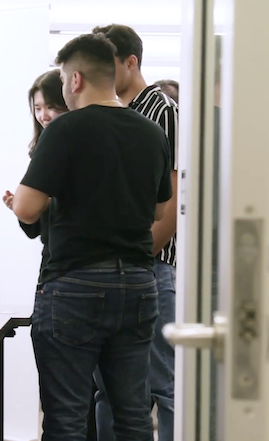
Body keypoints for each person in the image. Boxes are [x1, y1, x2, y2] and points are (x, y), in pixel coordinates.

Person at [12, 33, 172, 441]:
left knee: (66, 418)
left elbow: (27, 209)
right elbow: (158, 211)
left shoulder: (65, 130)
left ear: (75, 79)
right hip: (138, 283)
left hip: (75, 284)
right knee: (133, 413)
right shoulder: (151, 132)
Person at [93, 23, 180, 441]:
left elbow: (173, 201)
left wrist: (138, 255)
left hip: (151, 266)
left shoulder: (162, 111)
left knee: (165, 383)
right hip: (112, 268)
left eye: (107, 64)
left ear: (131, 62)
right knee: (111, 388)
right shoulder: (109, 113)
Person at [2, 69, 69, 272]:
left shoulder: (74, 145)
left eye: (51, 107)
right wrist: (23, 207)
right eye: (38, 108)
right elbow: (34, 230)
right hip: (52, 256)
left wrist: (45, 203)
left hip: (70, 259)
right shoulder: (42, 149)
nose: (43, 116)